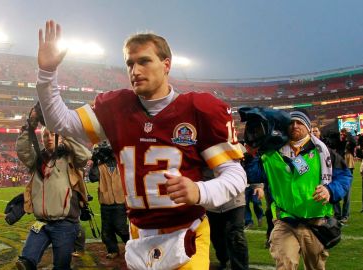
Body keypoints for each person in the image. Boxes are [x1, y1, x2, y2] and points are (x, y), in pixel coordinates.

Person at [35, 20, 247, 269]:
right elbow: (61, 122)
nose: (135, 70)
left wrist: (199, 191)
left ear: (166, 64)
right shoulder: (116, 107)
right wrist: (47, 74)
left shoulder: (197, 108)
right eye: (129, 63)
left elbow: (235, 175)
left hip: (186, 233)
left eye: (144, 61)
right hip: (139, 236)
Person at [244, 110, 352, 270]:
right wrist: (252, 156)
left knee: (316, 266)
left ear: (308, 127)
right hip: (285, 219)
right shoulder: (271, 152)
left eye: (300, 122)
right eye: (291, 122)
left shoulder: (324, 152)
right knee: (285, 263)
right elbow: (253, 175)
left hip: (316, 221)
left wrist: (330, 190)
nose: (295, 125)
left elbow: (344, 175)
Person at [15, 107, 92, 270]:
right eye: (44, 136)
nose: (48, 138)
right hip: (41, 223)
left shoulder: (70, 158)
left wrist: (62, 131)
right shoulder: (37, 160)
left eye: (51, 134)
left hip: (64, 224)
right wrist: (30, 125)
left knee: (61, 266)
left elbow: (85, 156)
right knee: (25, 262)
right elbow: (22, 151)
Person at [88, 142, 129, 259]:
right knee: (107, 230)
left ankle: (131, 245)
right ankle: (113, 250)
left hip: (120, 202)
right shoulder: (100, 166)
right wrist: (95, 161)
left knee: (120, 227)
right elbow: (92, 178)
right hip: (105, 203)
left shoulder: (122, 165)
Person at [333, 128, 356, 223]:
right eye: (341, 134)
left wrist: (348, 135)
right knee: (336, 192)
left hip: (348, 169)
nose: (342, 136)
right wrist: (340, 137)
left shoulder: (350, 144)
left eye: (344, 134)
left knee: (347, 195)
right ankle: (337, 214)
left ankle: (345, 215)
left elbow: (354, 142)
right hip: (338, 169)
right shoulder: (339, 143)